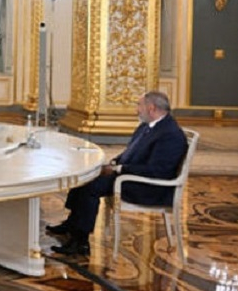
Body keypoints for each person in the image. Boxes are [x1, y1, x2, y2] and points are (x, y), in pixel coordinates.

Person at [47, 91, 188, 256]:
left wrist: (119, 169)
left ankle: (80, 241)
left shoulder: (170, 134)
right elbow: (130, 152)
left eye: (139, 105)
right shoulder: (148, 126)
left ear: (151, 108)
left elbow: (157, 171)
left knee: (91, 187)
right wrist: (114, 163)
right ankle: (72, 224)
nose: (136, 109)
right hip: (133, 176)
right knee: (85, 176)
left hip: (149, 187)